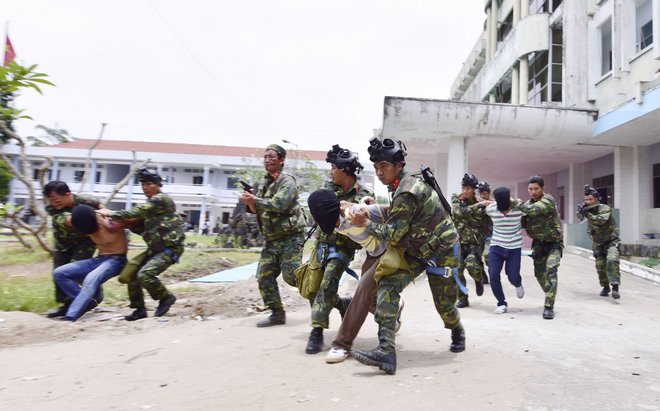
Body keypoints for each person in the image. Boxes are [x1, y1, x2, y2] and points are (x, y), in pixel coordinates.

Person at [350, 137, 466, 375]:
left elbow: (392, 235)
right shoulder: (400, 186)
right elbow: (402, 217)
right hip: (416, 247)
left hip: (441, 251)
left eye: (384, 166)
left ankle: (457, 329)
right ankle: (386, 351)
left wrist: (365, 222)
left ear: (398, 166)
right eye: (376, 168)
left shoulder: (406, 190)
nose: (379, 172)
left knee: (444, 306)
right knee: (387, 285)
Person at [304, 145, 374, 354]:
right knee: (311, 289)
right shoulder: (327, 188)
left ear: (344, 171)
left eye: (333, 167)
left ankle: (316, 330)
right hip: (321, 244)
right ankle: (343, 304)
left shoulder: (365, 195)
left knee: (328, 283)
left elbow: (367, 220)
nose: (330, 172)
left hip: (343, 247)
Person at [101, 168, 185, 321]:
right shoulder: (152, 207)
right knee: (130, 275)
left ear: (157, 185)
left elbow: (137, 211)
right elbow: (145, 228)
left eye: (148, 184)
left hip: (170, 249)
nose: (145, 187)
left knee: (145, 275)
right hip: (156, 248)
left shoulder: (160, 199)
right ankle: (139, 309)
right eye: (143, 184)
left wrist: (112, 213)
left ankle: (166, 297)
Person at [240, 144, 306, 327]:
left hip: (290, 237)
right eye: (265, 157)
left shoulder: (287, 181)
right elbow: (258, 210)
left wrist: (255, 200)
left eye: (272, 157)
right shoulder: (265, 183)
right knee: (264, 276)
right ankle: (277, 313)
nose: (267, 160)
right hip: (272, 239)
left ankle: (327, 298)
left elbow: (280, 204)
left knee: (293, 277)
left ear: (282, 160)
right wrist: (251, 201)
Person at [52, 205, 128, 321]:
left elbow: (132, 219)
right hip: (99, 259)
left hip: (117, 260)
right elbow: (66, 219)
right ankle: (86, 303)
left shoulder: (110, 219)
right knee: (59, 273)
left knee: (90, 279)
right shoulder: (81, 221)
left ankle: (71, 316)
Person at [43, 181, 102, 318]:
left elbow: (102, 209)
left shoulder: (87, 200)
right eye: (51, 201)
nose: (54, 204)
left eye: (57, 200)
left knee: (77, 270)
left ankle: (92, 298)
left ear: (68, 194)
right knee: (58, 273)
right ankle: (67, 304)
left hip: (85, 242)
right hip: (63, 244)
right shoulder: (53, 209)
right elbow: (67, 220)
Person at [520, 175, 563, 320]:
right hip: (538, 244)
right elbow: (521, 222)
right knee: (539, 275)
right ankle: (551, 292)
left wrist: (515, 203)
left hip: (553, 244)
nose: (532, 192)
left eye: (536, 189)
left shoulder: (548, 200)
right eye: (530, 189)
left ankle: (549, 307)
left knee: (551, 269)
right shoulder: (527, 204)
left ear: (543, 188)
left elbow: (533, 210)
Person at [484, 187, 525, 314]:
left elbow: (530, 209)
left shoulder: (519, 209)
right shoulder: (491, 209)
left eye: (506, 210)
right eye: (501, 211)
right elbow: (486, 206)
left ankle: (518, 284)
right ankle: (501, 303)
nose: (504, 213)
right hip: (496, 246)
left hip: (514, 247)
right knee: (493, 274)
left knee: (512, 276)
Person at [451, 173, 489, 308]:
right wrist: (478, 206)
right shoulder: (457, 199)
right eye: (464, 188)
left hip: (475, 243)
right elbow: (458, 212)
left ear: (474, 189)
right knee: (458, 270)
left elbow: (489, 221)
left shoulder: (481, 203)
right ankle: (463, 298)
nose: (465, 191)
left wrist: (489, 205)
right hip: (459, 243)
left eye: (468, 188)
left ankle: (478, 280)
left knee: (472, 265)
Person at [577, 185, 621, 299]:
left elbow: (601, 220)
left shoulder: (604, 208)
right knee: (600, 266)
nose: (588, 202)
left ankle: (615, 286)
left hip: (611, 241)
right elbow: (579, 217)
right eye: (586, 200)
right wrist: (581, 211)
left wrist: (588, 214)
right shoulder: (588, 209)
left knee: (612, 260)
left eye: (590, 199)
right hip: (598, 242)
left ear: (596, 199)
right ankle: (605, 287)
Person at [477, 180, 493, 278]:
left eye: (485, 194)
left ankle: (493, 273)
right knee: (476, 258)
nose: (483, 196)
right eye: (481, 194)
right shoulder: (476, 203)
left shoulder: (493, 203)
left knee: (488, 255)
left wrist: (488, 203)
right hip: (478, 236)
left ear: (488, 193)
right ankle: (483, 277)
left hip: (490, 235)